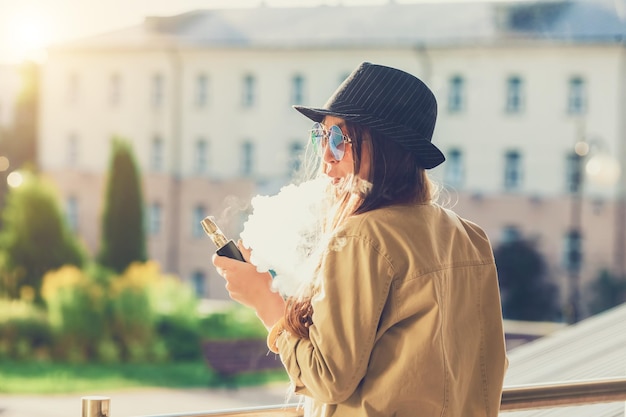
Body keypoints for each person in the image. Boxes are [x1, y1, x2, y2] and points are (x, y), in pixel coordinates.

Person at [211, 62, 508, 417]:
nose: (325, 161)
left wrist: (264, 299)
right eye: (322, 138)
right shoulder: (470, 236)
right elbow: (489, 367)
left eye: (339, 140)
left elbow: (329, 377)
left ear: (386, 150)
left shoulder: (361, 237)